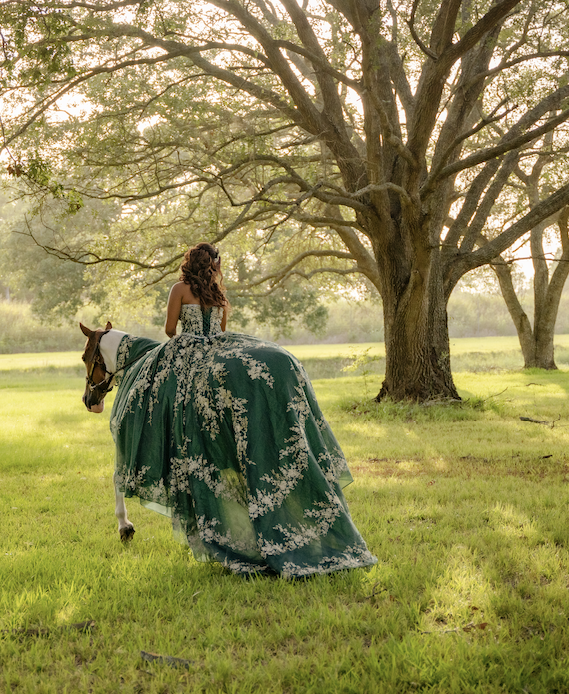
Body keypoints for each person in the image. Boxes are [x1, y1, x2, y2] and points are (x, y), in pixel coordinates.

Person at [108, 242, 376, 577]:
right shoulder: (219, 295)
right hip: (219, 347)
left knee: (158, 393)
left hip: (189, 351)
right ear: (214, 265)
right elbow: (220, 332)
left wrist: (189, 336)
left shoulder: (179, 289)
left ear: (189, 263)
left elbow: (168, 330)